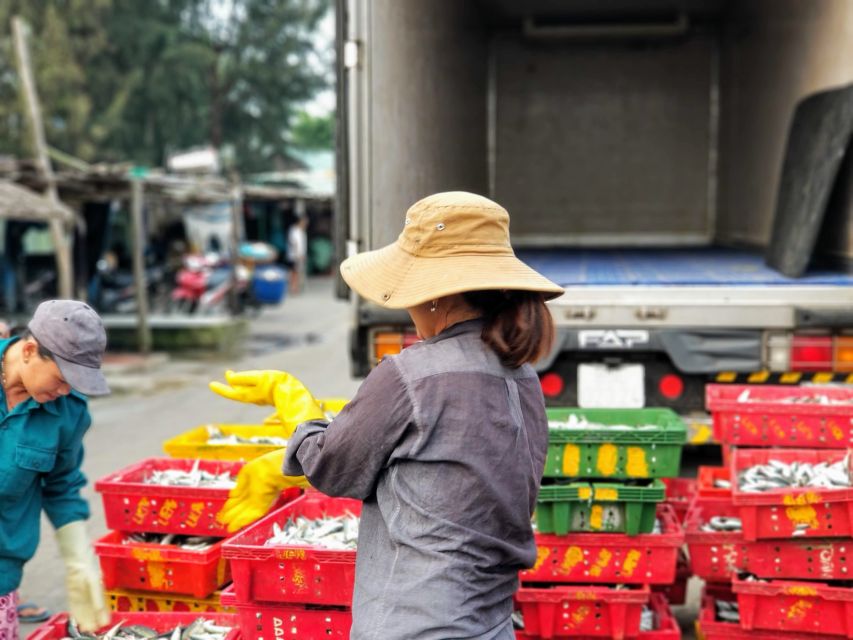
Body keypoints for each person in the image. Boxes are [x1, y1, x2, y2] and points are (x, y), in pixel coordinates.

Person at [211, 191, 564, 639]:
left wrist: (295, 403)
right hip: (491, 626)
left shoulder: (411, 374)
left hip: (417, 625)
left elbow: (330, 468)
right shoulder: (521, 376)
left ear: (436, 296)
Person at [0, 300, 111, 638]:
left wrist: (80, 559)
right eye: (63, 378)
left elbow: (62, 485)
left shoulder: (69, 412)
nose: (65, 391)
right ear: (30, 350)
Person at [287, 214, 308, 295]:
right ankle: (293, 288)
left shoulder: (301, 231)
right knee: (294, 272)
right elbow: (295, 243)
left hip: (300, 255)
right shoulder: (294, 231)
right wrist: (298, 255)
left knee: (296, 272)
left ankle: (295, 287)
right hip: (295, 256)